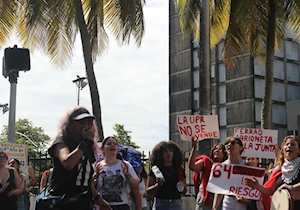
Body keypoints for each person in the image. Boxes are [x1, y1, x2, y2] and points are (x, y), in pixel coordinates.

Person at [45, 106, 111, 210]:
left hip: (83, 202)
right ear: (70, 125)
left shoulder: (87, 146)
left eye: (89, 122)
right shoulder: (61, 142)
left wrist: (98, 199)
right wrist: (84, 143)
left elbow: (85, 180)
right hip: (63, 202)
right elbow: (68, 163)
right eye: (81, 122)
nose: (86, 126)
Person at [245, 135, 300, 210]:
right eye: (286, 144)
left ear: (299, 150)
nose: (289, 146)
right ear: (283, 150)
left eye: (292, 144)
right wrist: (257, 186)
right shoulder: (279, 169)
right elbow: (270, 191)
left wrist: (292, 188)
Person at [95, 136, 140, 210]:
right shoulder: (97, 166)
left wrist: (127, 175)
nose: (112, 145)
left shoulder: (125, 165)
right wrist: (95, 177)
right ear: (102, 148)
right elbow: (91, 187)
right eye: (109, 144)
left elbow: (135, 185)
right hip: (103, 206)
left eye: (115, 144)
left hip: (122, 206)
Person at [188, 137, 227, 210]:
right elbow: (192, 166)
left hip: (220, 196)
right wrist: (194, 148)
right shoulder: (207, 162)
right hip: (205, 195)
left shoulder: (227, 167)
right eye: (215, 149)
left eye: (220, 149)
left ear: (224, 153)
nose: (217, 150)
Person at [146, 141, 187, 210]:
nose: (168, 153)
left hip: (176, 203)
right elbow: (148, 191)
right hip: (160, 203)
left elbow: (185, 191)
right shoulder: (155, 170)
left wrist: (182, 187)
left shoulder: (180, 170)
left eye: (171, 151)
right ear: (160, 154)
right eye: (165, 151)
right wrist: (157, 185)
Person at [212, 137, 246, 210]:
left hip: (243, 203)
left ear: (241, 147)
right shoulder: (222, 166)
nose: (229, 145)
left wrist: (247, 201)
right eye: (227, 143)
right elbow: (219, 189)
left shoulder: (246, 166)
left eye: (233, 143)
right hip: (228, 201)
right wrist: (214, 207)